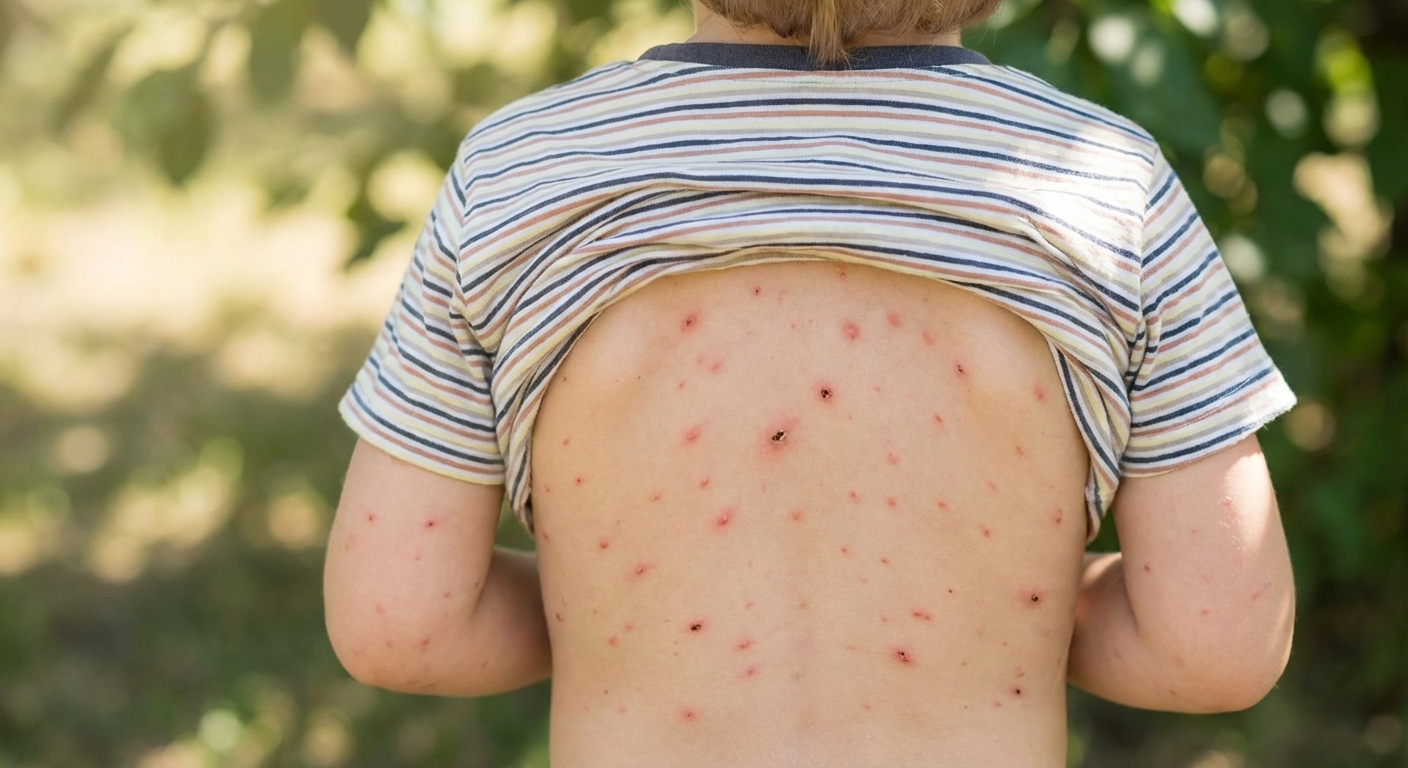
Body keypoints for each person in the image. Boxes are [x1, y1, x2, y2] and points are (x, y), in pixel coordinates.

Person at [322, 0, 1299, 764]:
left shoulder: (519, 177)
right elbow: (1211, 642)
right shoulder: (1104, 192)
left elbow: (400, 620)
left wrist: (627, 614)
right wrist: (991, 612)